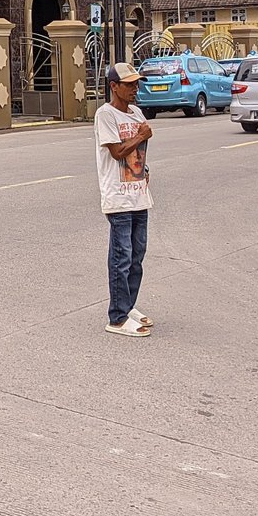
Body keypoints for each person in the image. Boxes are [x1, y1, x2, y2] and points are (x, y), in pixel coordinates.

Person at [94, 61, 154, 338]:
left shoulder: (137, 112)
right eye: (128, 84)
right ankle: (116, 317)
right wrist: (141, 135)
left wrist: (146, 170)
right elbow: (117, 152)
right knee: (122, 257)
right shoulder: (105, 115)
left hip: (139, 194)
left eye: (136, 83)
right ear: (114, 86)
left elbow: (139, 152)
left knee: (137, 257)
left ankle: (128, 306)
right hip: (118, 197)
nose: (134, 88)